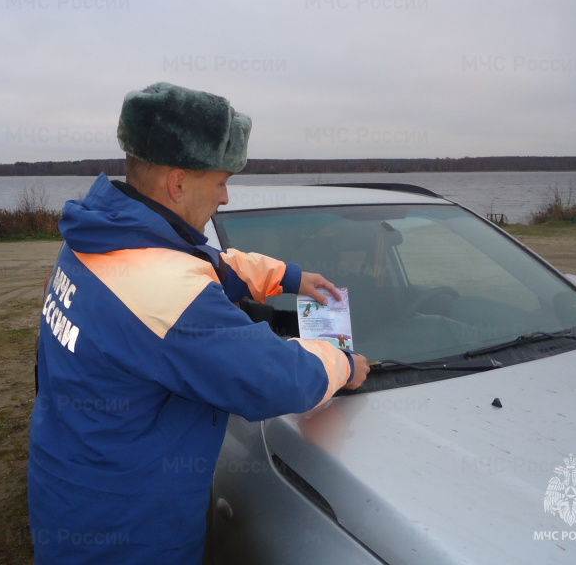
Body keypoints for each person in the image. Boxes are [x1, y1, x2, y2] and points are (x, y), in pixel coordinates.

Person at [28, 82, 369, 564]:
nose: (226, 197)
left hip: (70, 491)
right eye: (222, 180)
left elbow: (207, 262)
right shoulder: (166, 294)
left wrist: (287, 277)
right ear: (179, 183)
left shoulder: (96, 239)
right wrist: (344, 362)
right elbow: (279, 378)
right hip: (127, 535)